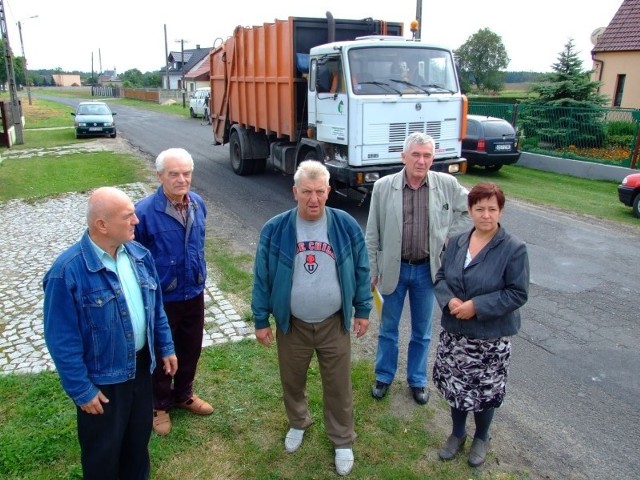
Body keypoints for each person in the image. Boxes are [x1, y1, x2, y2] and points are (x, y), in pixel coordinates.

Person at [43, 187, 178, 480]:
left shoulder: (140, 255)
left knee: (137, 446)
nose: (136, 221)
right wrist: (81, 389)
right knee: (102, 456)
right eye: (128, 216)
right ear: (102, 225)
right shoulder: (66, 272)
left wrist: (165, 346)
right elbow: (61, 340)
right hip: (103, 384)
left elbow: (156, 308)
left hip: (142, 370)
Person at [252, 160, 372, 477]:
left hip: (334, 323)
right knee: (292, 381)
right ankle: (298, 421)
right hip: (293, 325)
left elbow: (362, 271)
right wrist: (261, 319)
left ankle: (342, 439)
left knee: (339, 385)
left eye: (320, 191)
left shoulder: (346, 225)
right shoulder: (275, 229)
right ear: (295, 192)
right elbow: (261, 278)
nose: (314, 199)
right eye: (307, 192)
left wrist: (363, 310)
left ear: (329, 191)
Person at [365, 132, 470, 405]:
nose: (421, 161)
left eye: (427, 156)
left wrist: (450, 235)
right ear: (403, 157)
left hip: (427, 272)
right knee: (388, 328)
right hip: (393, 270)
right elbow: (372, 233)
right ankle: (384, 376)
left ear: (433, 158)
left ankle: (417, 380)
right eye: (416, 155)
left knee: (422, 331)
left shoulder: (447, 184)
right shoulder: (384, 187)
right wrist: (371, 269)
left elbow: (471, 208)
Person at [432, 182, 530, 467]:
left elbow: (517, 292)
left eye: (492, 209)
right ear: (470, 210)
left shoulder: (513, 249)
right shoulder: (457, 242)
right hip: (456, 334)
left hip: (489, 338)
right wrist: (448, 300)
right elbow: (440, 278)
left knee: (485, 391)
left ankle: (481, 437)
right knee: (456, 386)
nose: (485, 215)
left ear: (500, 211)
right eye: (479, 209)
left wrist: (477, 306)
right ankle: (457, 433)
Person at [134, 148, 212, 436]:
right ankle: (161, 404)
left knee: (190, 347)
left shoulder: (199, 204)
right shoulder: (143, 213)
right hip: (162, 299)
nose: (182, 179)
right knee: (162, 353)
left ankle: (184, 394)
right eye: (174, 174)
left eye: (186, 173)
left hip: (194, 291)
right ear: (159, 176)